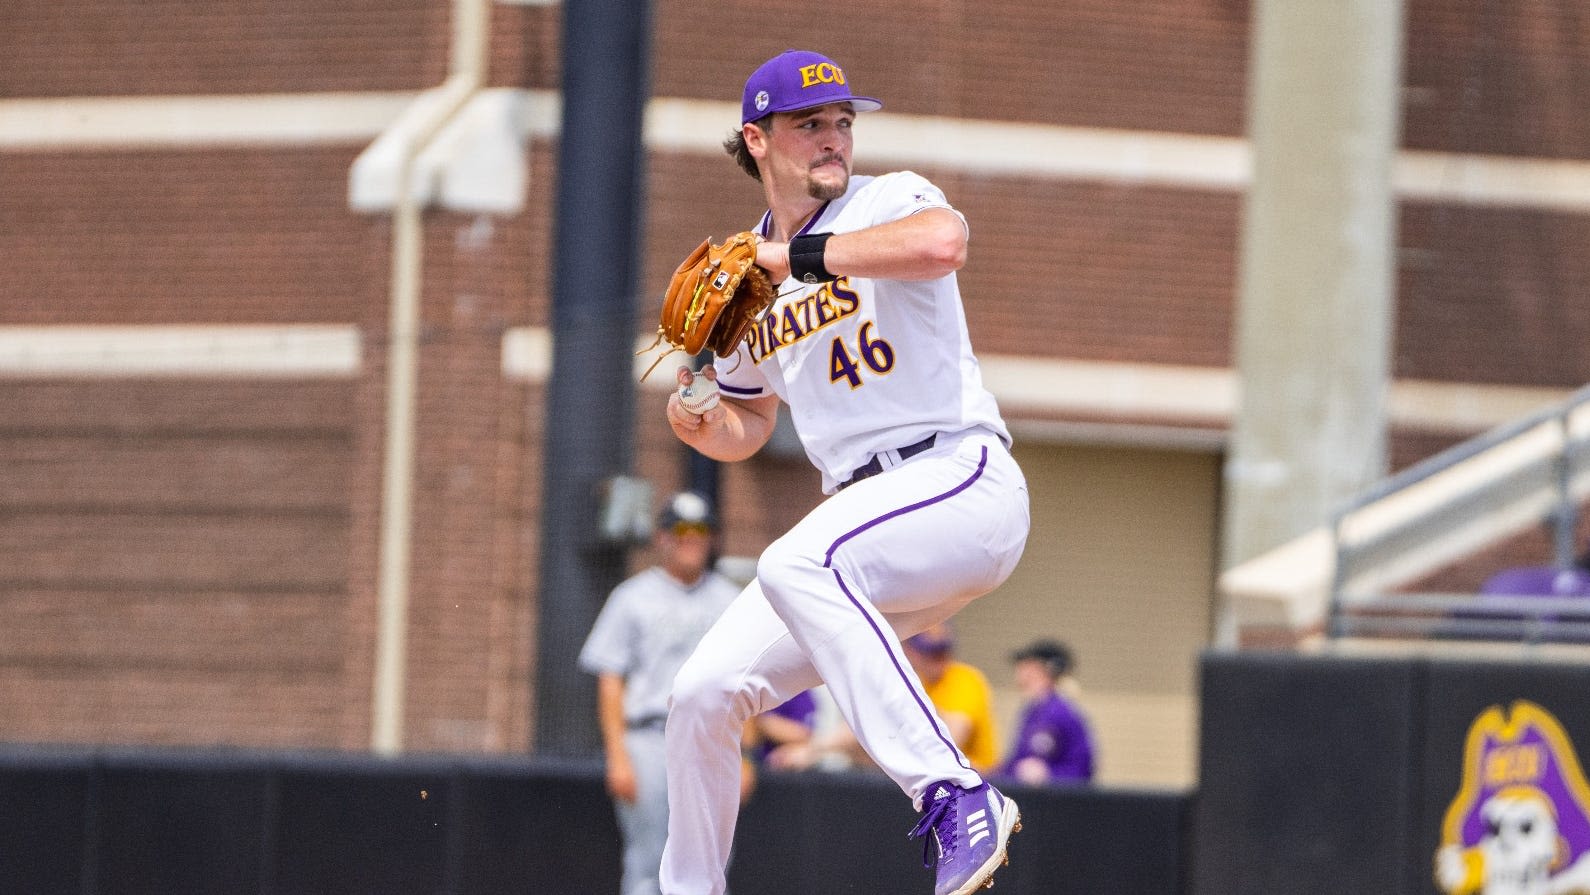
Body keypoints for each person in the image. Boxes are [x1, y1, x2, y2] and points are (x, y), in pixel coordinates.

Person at [658, 49, 1031, 895]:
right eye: (808, 124)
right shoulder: (748, 275)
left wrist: (799, 260)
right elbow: (749, 423)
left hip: (958, 478)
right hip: (869, 526)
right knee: (703, 691)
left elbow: (944, 242)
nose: (833, 139)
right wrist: (699, 417)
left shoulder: (885, 200)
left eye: (841, 122)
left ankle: (956, 790)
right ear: (757, 138)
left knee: (795, 560)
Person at [578, 492, 744, 895]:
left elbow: (743, 677)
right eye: (682, 530)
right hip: (649, 736)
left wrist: (749, 752)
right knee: (649, 857)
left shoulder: (729, 598)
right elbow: (610, 679)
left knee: (713, 857)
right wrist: (617, 754)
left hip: (711, 738)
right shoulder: (632, 596)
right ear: (662, 537)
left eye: (701, 530)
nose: (692, 539)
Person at [997, 639, 1096, 786]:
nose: (1021, 674)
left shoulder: (1064, 713)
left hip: (1056, 803)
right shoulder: (1031, 712)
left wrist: (1049, 774)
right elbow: (1016, 762)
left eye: (1029, 667)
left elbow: (1082, 770)